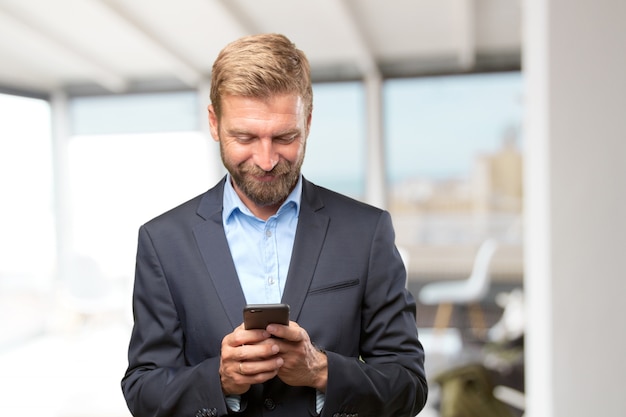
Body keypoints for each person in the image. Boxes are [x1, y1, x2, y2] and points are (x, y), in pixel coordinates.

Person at [121, 33, 428, 417]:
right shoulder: (162, 242)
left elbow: (409, 385)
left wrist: (322, 372)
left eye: (284, 137)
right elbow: (142, 390)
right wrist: (218, 381)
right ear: (214, 123)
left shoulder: (367, 232)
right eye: (245, 137)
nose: (266, 161)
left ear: (309, 122)